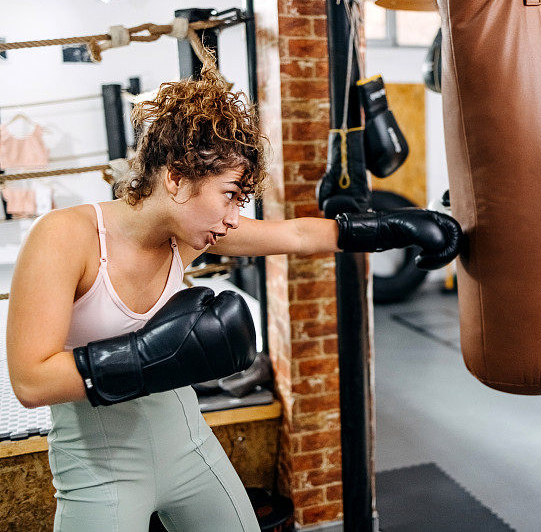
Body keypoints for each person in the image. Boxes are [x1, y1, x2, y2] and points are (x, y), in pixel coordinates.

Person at [5, 67, 461, 532]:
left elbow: (298, 234)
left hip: (189, 448)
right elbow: (30, 379)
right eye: (229, 196)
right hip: (99, 468)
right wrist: (149, 355)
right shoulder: (64, 237)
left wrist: (394, 226)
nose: (232, 218)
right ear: (177, 178)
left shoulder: (187, 232)